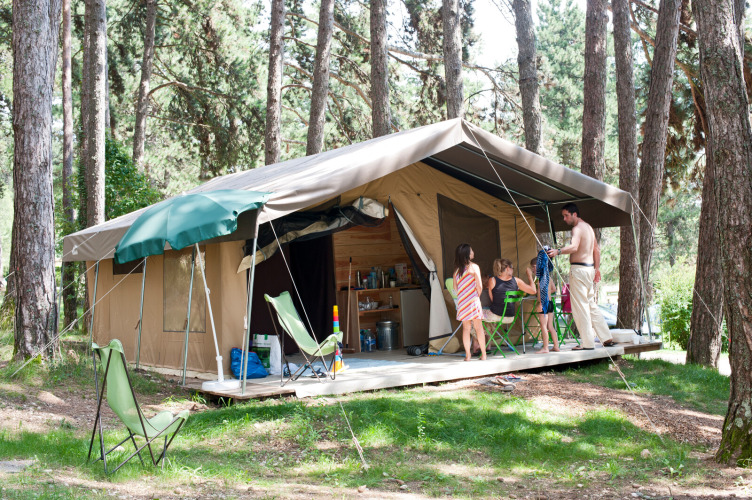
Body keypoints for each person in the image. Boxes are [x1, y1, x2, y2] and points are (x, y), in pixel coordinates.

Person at [546, 203, 614, 350]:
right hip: (589, 270)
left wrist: (558, 251)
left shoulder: (577, 229)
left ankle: (588, 343)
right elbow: (596, 249)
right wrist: (597, 269)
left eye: (566, 215)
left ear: (574, 214)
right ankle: (606, 337)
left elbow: (575, 247)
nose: (564, 219)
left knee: (580, 307)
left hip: (579, 270)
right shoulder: (588, 227)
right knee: (591, 305)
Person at [452, 243, 486, 361]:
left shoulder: (456, 272)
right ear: (467, 254)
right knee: (479, 328)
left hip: (462, 303)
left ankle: (468, 355)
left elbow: (455, 289)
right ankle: (484, 355)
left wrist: (463, 297)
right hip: (473, 301)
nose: (473, 252)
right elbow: (479, 286)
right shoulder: (474, 267)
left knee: (466, 329)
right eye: (471, 250)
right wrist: (476, 297)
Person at [484, 258, 536, 330]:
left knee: (475, 315)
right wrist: (530, 276)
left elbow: (493, 300)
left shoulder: (492, 280)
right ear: (508, 268)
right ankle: (486, 337)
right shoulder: (517, 281)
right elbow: (533, 291)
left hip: (495, 315)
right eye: (513, 268)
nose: (513, 270)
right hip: (510, 317)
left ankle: (479, 340)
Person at [528, 257, 560, 353]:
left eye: (533, 267)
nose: (533, 270)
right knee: (550, 326)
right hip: (550, 303)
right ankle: (556, 346)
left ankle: (545, 347)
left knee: (543, 326)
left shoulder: (540, 278)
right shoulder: (548, 277)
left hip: (543, 304)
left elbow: (541, 294)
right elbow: (554, 289)